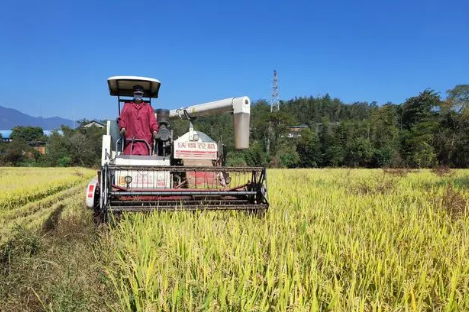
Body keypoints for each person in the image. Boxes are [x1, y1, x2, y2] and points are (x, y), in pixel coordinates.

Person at [118, 85, 158, 155]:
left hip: (145, 142)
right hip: (130, 141)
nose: (138, 95)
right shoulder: (127, 106)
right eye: (137, 93)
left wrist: (155, 130)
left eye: (140, 94)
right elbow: (122, 118)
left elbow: (153, 121)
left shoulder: (148, 108)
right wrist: (122, 127)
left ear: (142, 94)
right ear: (133, 94)